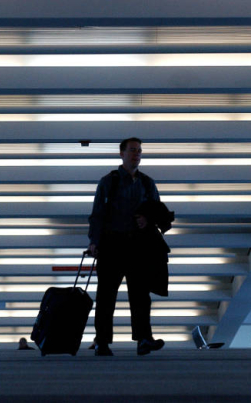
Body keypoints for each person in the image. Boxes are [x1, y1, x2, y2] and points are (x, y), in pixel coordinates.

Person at [88, 137, 167, 356]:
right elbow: (97, 214)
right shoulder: (109, 181)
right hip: (112, 244)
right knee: (106, 296)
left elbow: (158, 212)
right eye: (132, 150)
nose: (137, 154)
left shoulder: (147, 183)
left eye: (139, 151)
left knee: (141, 295)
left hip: (138, 245)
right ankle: (102, 342)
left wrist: (148, 220)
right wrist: (94, 241)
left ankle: (143, 339)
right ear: (121, 154)